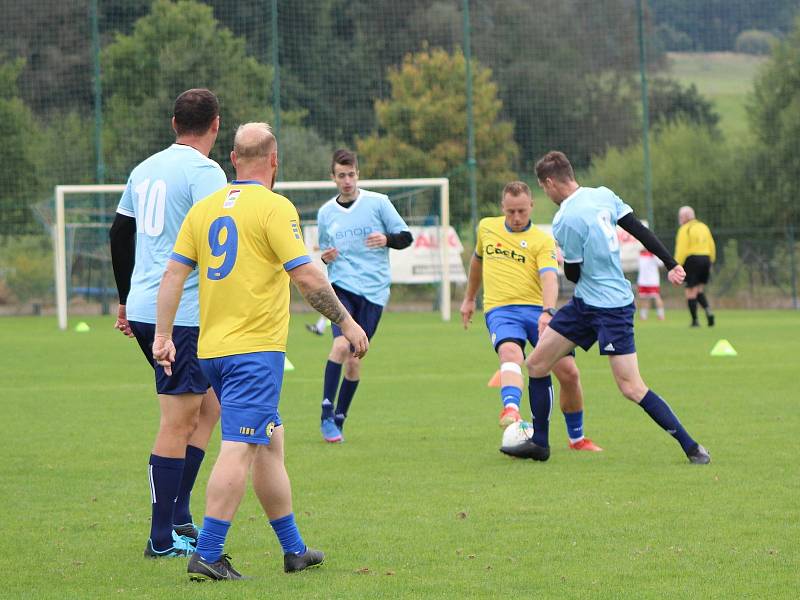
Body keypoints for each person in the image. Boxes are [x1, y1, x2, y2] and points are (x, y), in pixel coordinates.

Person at [153, 123, 369, 580]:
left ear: (232, 159)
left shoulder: (205, 209)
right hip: (254, 351)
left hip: (212, 349)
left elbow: (173, 276)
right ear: (274, 161)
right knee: (239, 447)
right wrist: (347, 322)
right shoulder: (275, 208)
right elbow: (307, 277)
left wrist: (163, 335)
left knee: (270, 443)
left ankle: (294, 550)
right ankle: (208, 554)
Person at [504, 151, 710, 465]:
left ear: (548, 183)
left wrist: (564, 261)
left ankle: (692, 446)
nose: (545, 193)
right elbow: (639, 230)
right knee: (536, 364)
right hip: (585, 304)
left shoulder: (566, 220)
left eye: (543, 188)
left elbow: (573, 273)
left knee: (630, 386)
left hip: (611, 309)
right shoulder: (603, 195)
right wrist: (670, 263)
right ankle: (540, 444)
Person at [109, 88, 227, 558]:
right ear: (215, 126)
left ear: (173, 123)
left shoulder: (145, 168)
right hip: (180, 314)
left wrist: (124, 301)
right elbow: (221, 238)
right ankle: (161, 539)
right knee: (178, 418)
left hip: (144, 306)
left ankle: (178, 516)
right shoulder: (205, 172)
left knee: (209, 406)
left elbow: (120, 231)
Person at [460, 181, 602, 452]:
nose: (515, 217)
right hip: (501, 310)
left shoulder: (542, 240)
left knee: (569, 373)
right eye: (511, 211)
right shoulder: (486, 228)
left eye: (521, 211)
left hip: (537, 311)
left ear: (531, 207)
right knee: (511, 353)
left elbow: (549, 277)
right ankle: (511, 409)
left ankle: (577, 439)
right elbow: (477, 261)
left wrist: (548, 311)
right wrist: (469, 298)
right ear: (503, 207)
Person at [316, 149, 413, 442]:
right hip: (341, 287)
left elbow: (405, 238)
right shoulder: (325, 213)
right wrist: (327, 257)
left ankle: (340, 417)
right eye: (341, 175)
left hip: (373, 292)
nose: (347, 181)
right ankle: (325, 414)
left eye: (352, 174)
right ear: (333, 177)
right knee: (340, 347)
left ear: (358, 174)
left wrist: (386, 239)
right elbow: (324, 253)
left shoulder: (378, 203)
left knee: (355, 359)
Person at [675, 206, 716, 327]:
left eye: (680, 216)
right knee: (698, 290)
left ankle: (695, 321)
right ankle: (708, 311)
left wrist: (676, 265)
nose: (679, 219)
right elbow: (711, 245)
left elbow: (681, 249)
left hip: (692, 260)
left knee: (690, 291)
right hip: (706, 258)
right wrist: (711, 261)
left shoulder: (685, 229)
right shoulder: (704, 227)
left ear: (686, 217)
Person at [636, 249, 665, 321]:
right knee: (644, 298)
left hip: (652, 281)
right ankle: (643, 316)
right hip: (642, 281)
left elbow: (661, 264)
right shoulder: (640, 254)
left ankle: (661, 315)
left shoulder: (654, 254)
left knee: (656, 297)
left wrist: (654, 255)